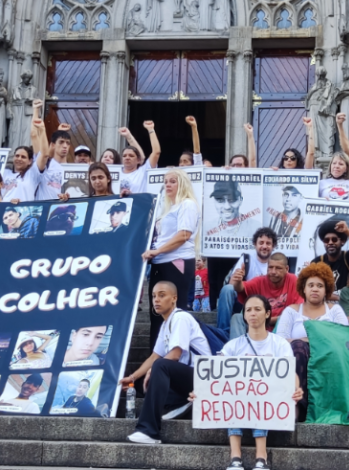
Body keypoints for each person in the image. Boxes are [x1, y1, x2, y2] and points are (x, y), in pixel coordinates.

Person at [194, 294, 302, 470]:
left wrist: (296, 388)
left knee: (259, 394)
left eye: (257, 309)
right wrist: (200, 390)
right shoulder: (233, 346)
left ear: (267, 314)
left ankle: (262, 456)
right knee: (234, 394)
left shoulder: (280, 344)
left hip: (268, 400)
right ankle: (235, 456)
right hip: (239, 400)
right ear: (244, 315)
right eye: (248, 310)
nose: (252, 313)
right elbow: (215, 374)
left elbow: (290, 373)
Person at [123, 281, 210, 444]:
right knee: (144, 382)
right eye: (154, 296)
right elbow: (154, 357)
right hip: (184, 378)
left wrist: (153, 370)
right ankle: (179, 403)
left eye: (162, 295)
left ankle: (149, 431)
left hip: (202, 377)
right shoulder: (166, 324)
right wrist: (132, 378)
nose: (156, 300)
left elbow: (175, 354)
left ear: (174, 298)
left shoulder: (181, 317)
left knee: (160, 367)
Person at [275, 263, 348, 419]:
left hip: (327, 357)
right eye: (311, 285)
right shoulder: (291, 311)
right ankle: (295, 407)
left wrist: (307, 340)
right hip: (298, 356)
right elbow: (280, 340)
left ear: (326, 289)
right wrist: (305, 341)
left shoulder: (335, 310)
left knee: (300, 345)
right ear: (304, 288)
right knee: (299, 348)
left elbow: (343, 338)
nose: (315, 289)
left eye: (320, 286)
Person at [144, 169, 200, 344]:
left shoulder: (187, 204)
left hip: (176, 262)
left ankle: (175, 355)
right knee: (156, 312)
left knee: (175, 311)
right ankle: (154, 359)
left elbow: (184, 235)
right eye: (166, 181)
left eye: (172, 181)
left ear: (182, 184)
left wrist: (158, 251)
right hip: (159, 264)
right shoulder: (168, 208)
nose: (167, 184)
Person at [216, 228, 277, 337]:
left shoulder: (276, 262)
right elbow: (231, 285)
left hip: (266, 303)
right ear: (255, 244)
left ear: (273, 246)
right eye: (261, 243)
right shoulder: (247, 259)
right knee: (227, 289)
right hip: (244, 301)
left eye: (268, 243)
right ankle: (223, 332)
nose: (264, 246)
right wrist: (238, 279)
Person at [232, 253, 302, 333]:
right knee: (237, 317)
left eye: (278, 268)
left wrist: (266, 320)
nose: (273, 271)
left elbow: (297, 313)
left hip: (283, 328)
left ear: (286, 269)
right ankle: (239, 345)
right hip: (259, 327)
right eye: (270, 267)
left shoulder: (293, 281)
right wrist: (237, 281)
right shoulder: (260, 281)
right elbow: (241, 288)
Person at [309, 220, 349, 294]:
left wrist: (347, 231)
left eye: (334, 239)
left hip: (347, 302)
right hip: (324, 303)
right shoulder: (316, 262)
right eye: (326, 240)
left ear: (342, 241)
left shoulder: (348, 257)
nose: (330, 243)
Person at [118, 122, 161, 194]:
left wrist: (151, 129)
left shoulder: (143, 171)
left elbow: (156, 152)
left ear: (138, 160)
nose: (127, 158)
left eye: (131, 156)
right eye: (124, 156)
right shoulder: (115, 172)